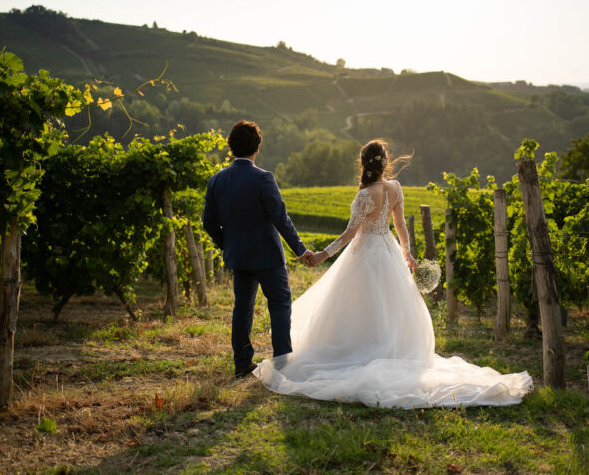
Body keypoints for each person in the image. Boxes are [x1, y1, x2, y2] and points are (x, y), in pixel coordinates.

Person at [254, 139, 533, 408]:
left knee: (359, 306)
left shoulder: (365, 195)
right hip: (387, 251)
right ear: (385, 163)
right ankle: (389, 349)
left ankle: (362, 350)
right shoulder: (395, 188)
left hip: (364, 254)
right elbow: (400, 224)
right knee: (389, 306)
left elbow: (350, 234)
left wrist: (321, 255)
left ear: (362, 163)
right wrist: (406, 253)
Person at [203, 120, 314, 378]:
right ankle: (283, 362)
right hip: (268, 256)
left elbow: (209, 223)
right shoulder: (264, 178)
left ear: (231, 146)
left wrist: (227, 243)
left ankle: (242, 362)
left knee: (242, 307)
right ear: (257, 147)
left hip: (238, 256)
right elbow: (281, 219)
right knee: (279, 305)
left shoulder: (216, 181)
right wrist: (300, 250)